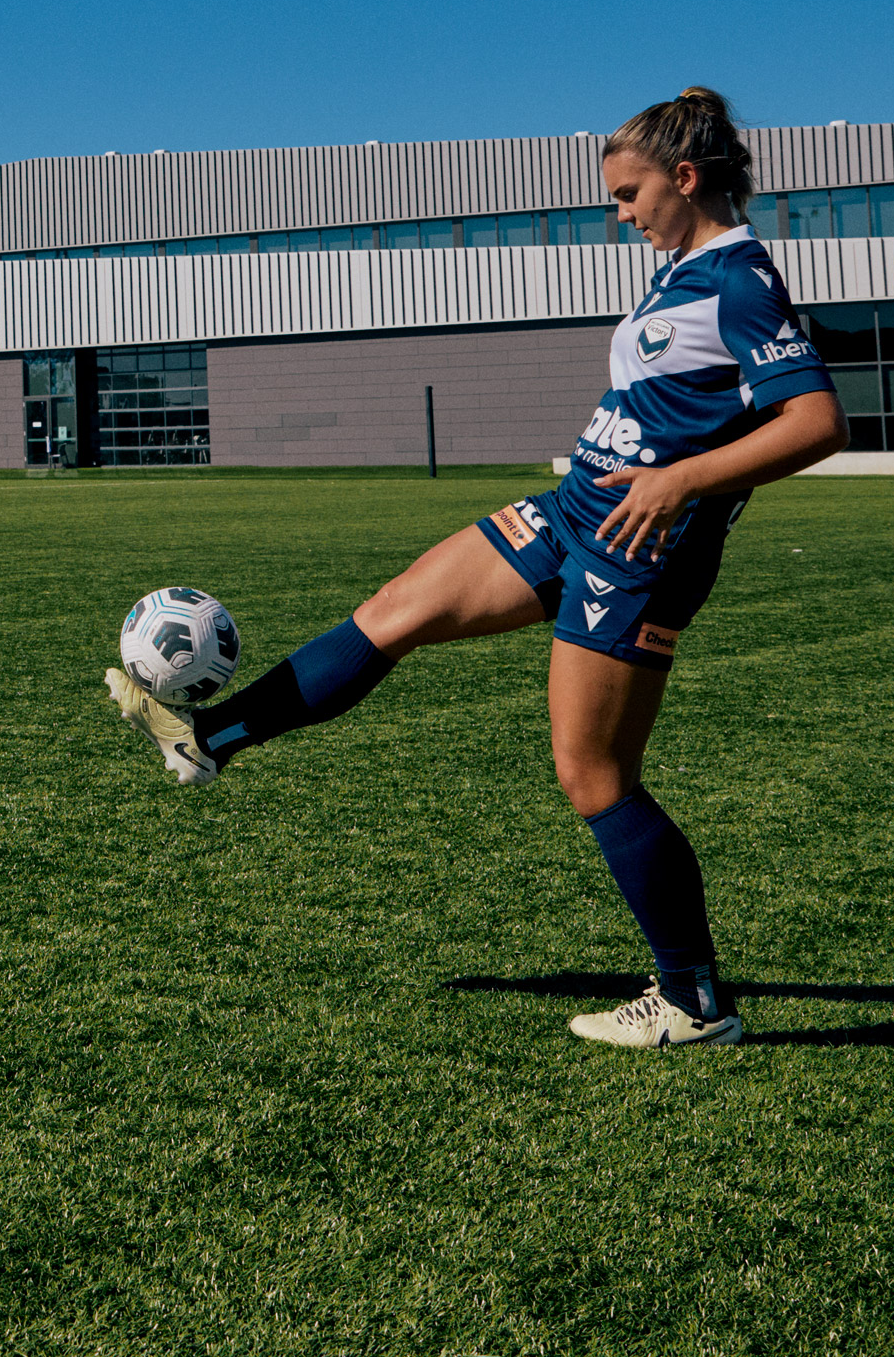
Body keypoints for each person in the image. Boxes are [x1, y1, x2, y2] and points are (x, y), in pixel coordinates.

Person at [102, 88, 847, 1049]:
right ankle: (209, 740)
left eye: (630, 194)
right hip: (579, 507)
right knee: (398, 607)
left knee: (593, 775)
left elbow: (816, 422)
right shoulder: (678, 272)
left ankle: (694, 1001)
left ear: (685, 177)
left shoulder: (741, 279)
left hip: (639, 547)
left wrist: (684, 483)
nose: (620, 213)